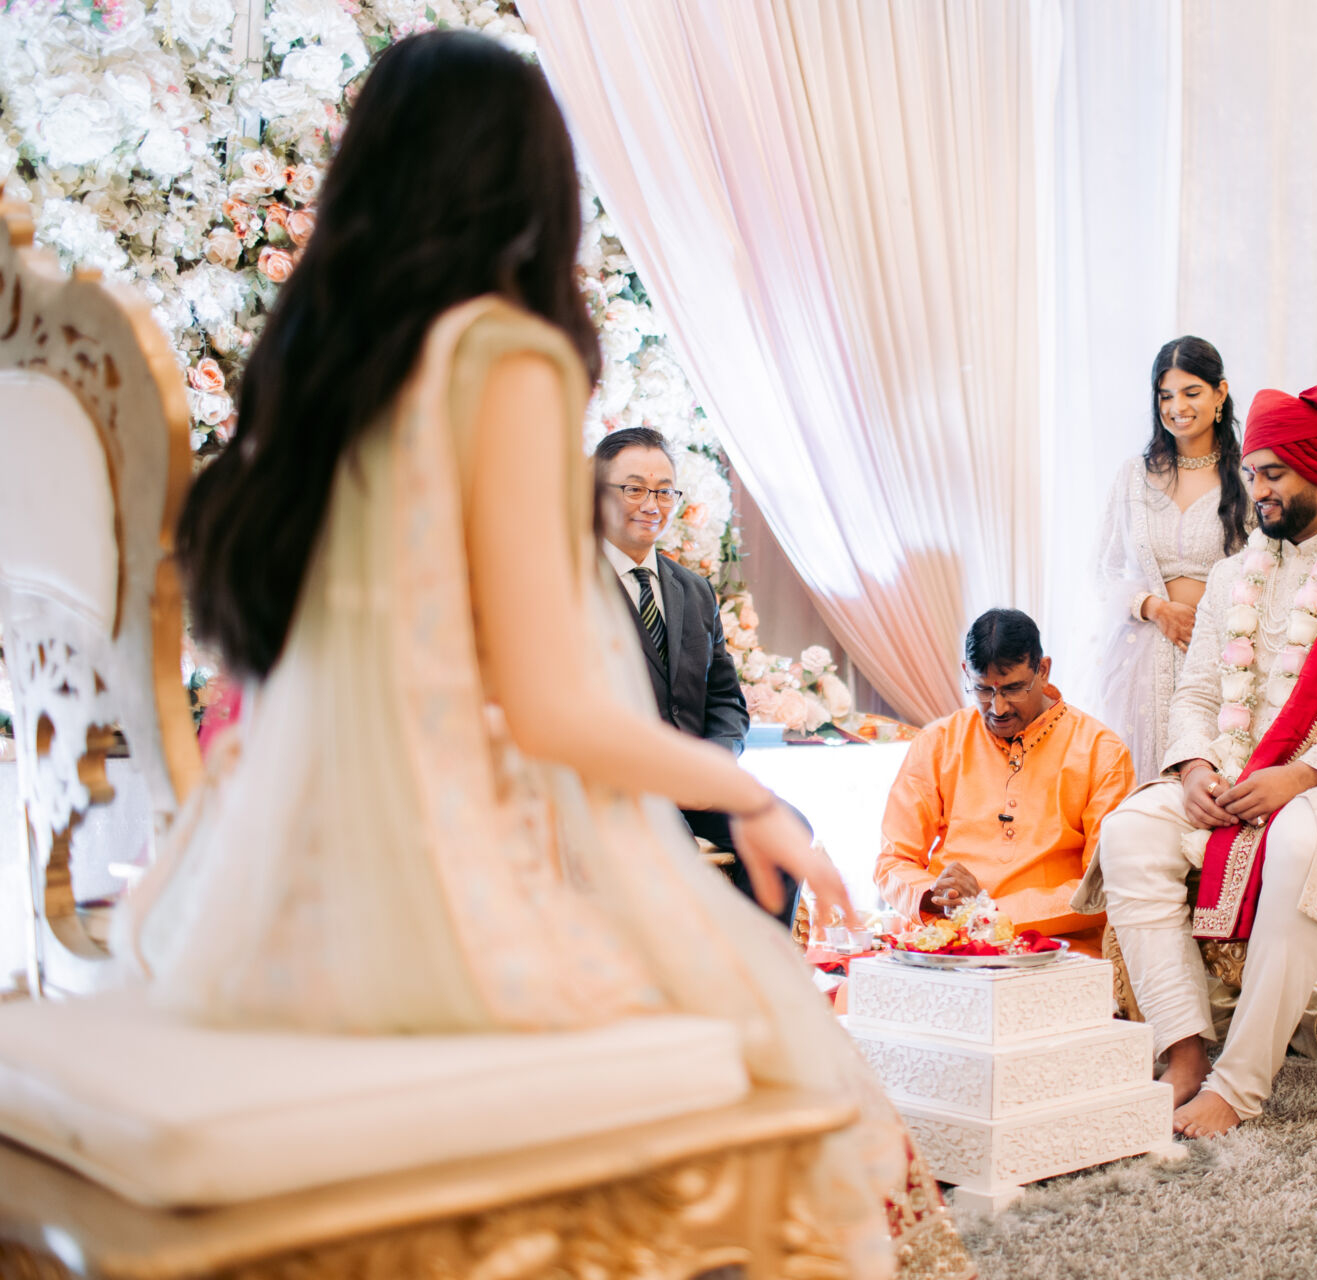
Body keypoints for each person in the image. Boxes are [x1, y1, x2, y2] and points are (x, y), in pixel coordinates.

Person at [111, 32, 970, 1277]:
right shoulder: (501, 356)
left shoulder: (321, 373)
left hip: (266, 886)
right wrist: (750, 797)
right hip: (433, 876)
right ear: (530, 179)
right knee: (807, 1087)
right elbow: (551, 704)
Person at [1075, 386, 1317, 1139]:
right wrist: (1193, 769)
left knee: (1299, 839)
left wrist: (1302, 775)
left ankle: (1240, 1083)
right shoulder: (1232, 577)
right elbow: (1197, 690)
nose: (1259, 491)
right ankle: (1184, 1049)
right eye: (1251, 475)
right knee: (1129, 831)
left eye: (1275, 474)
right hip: (1234, 769)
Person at [594, 426, 797, 923]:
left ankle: (755, 963)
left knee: (787, 834)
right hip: (618, 788)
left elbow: (726, 700)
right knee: (673, 856)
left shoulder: (695, 590)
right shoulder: (571, 585)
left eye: (664, 491)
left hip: (697, 786)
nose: (652, 504)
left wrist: (713, 765)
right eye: (635, 488)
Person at [874, 609, 1134, 957]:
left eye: (1013, 689)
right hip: (949, 942)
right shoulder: (938, 742)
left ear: (1043, 670)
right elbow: (892, 861)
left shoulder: (1101, 751)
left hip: (1051, 950)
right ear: (966, 672)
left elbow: (1106, 885)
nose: (998, 708)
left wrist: (991, 912)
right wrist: (933, 895)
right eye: (983, 690)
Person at [1094, 336, 1251, 777]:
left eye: (1191, 392)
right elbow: (1104, 569)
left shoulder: (1247, 477)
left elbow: (1267, 566)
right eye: (1165, 396)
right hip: (1142, 658)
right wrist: (1154, 608)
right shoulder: (1134, 476)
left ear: (1220, 393)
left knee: (1211, 781)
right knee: (1141, 784)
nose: (1177, 407)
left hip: (1222, 657)